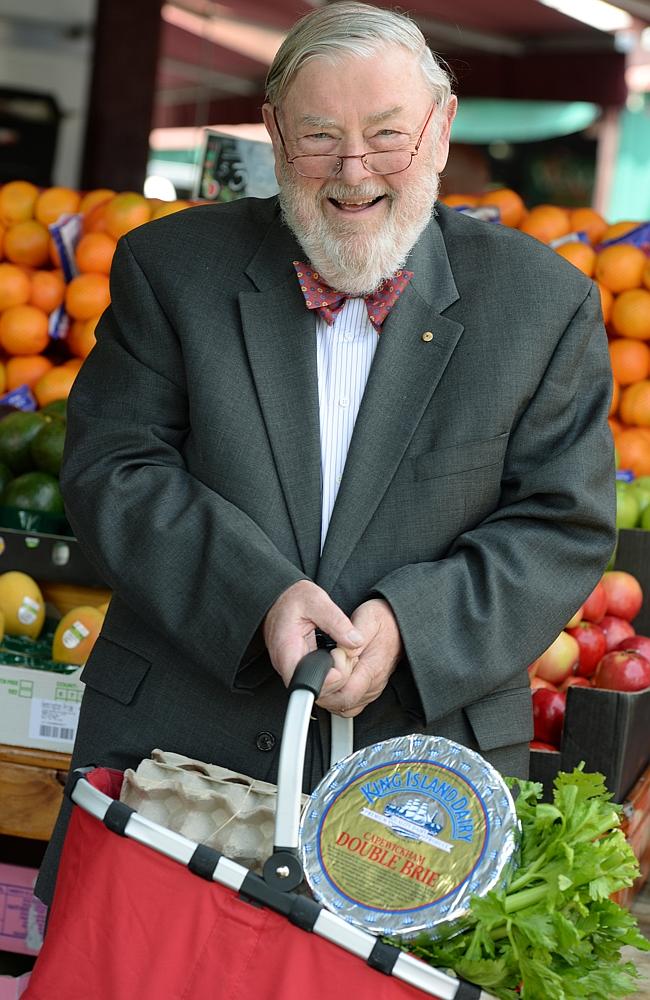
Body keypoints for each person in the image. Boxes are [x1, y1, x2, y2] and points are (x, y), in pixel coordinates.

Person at [36, 1, 615, 905]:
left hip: (421, 796)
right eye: (318, 136)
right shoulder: (171, 268)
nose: (354, 172)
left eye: (387, 135)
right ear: (271, 132)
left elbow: (562, 525)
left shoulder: (544, 306)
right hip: (176, 758)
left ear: (441, 127)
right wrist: (256, 597)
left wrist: (407, 628)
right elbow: (114, 469)